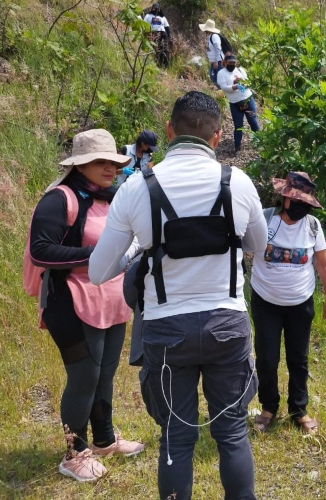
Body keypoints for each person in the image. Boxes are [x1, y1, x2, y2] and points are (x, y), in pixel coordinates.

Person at [88, 91, 267, 500]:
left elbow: (99, 270)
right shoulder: (237, 183)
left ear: (169, 131)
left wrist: (140, 247)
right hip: (227, 325)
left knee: (177, 437)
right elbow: (256, 243)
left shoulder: (137, 188)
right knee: (233, 433)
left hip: (167, 331)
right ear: (219, 136)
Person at [28, 129, 144, 482]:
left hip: (110, 300)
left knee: (105, 373)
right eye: (100, 161)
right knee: (84, 376)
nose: (109, 167)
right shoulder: (59, 199)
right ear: (80, 165)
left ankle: (105, 439)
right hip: (69, 301)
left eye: (113, 161)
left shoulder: (112, 198)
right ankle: (74, 452)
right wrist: (97, 255)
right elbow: (40, 250)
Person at [250, 172, 326, 435]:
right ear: (285, 197)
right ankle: (268, 407)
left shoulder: (312, 226)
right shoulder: (264, 220)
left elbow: (323, 264)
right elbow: (239, 247)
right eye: (296, 200)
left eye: (305, 202)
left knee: (298, 359)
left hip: (300, 303)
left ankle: (299, 409)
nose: (301, 207)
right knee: (267, 358)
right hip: (265, 302)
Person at [217, 54, 260, 155]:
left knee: (253, 122)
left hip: (247, 99)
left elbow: (248, 82)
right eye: (230, 63)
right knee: (238, 125)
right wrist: (235, 85)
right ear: (225, 63)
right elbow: (224, 87)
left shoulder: (240, 70)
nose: (232, 65)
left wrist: (242, 83)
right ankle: (237, 147)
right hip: (235, 103)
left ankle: (261, 143)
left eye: (233, 63)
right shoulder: (221, 73)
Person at [199, 18, 225, 85]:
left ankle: (220, 92)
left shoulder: (214, 36)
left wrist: (216, 61)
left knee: (218, 78)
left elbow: (218, 48)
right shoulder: (210, 37)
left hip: (219, 61)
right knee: (213, 77)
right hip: (214, 61)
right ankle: (218, 92)